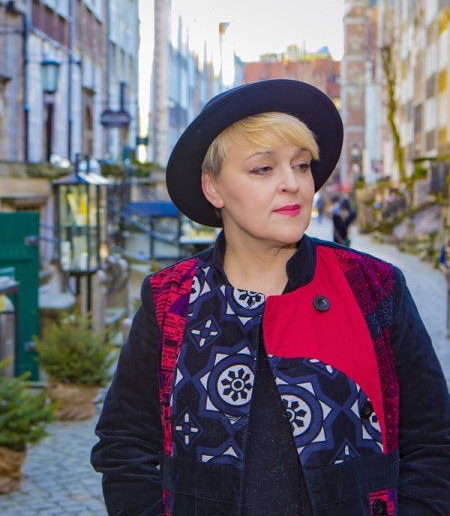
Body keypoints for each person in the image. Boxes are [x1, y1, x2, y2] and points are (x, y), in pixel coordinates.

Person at [91, 79, 450, 516]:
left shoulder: (373, 287)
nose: (293, 184)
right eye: (263, 169)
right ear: (213, 187)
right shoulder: (172, 299)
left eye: (301, 165)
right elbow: (125, 445)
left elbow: (433, 441)